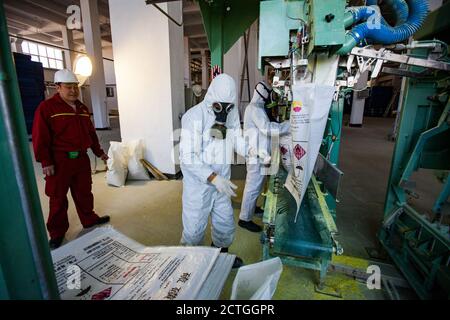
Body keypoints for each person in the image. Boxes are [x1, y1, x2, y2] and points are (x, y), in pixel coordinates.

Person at [179, 73, 261, 269]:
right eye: (218, 107)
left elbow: (235, 137)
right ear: (211, 98)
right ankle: (191, 267)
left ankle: (220, 258)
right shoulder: (194, 116)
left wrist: (250, 150)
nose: (224, 112)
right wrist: (212, 177)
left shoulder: (231, 113)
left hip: (222, 183)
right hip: (199, 186)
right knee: (193, 231)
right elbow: (187, 156)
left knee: (225, 226)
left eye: (228, 106)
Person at [32, 69, 110, 250]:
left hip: (81, 160)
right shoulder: (47, 109)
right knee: (58, 198)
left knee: (84, 192)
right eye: (69, 87)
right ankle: (57, 233)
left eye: (75, 87)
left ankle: (89, 219)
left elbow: (90, 134)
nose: (73, 91)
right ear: (57, 87)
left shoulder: (82, 108)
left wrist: (99, 153)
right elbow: (40, 137)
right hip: (59, 161)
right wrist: (46, 162)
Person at [239, 81, 290, 232]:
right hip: (257, 155)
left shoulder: (256, 108)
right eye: (270, 94)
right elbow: (267, 129)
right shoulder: (255, 109)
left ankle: (251, 208)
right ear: (265, 94)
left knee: (255, 185)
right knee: (253, 186)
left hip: (259, 153)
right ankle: (244, 219)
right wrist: (289, 125)